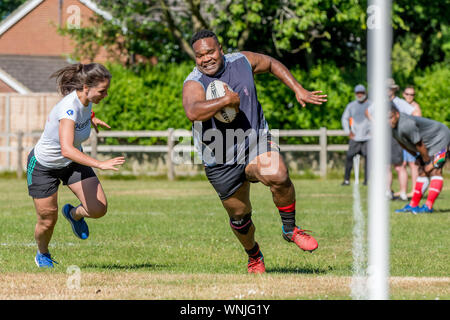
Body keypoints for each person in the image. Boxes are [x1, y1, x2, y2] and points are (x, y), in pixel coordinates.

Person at [182, 30, 327, 274]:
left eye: (210, 52)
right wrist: (225, 101)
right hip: (219, 156)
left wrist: (297, 88)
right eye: (199, 56)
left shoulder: (241, 61)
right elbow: (193, 111)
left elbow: (270, 63)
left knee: (277, 173)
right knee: (240, 217)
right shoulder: (194, 82)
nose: (205, 58)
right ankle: (254, 256)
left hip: (254, 141)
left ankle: (290, 229)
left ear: (221, 49)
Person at [27, 63, 125, 268]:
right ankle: (42, 254)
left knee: (98, 208)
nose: (105, 95)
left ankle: (73, 214)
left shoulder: (85, 100)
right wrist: (99, 164)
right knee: (47, 220)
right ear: (86, 87)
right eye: (102, 91)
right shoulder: (68, 108)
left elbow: (84, 111)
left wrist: (92, 118)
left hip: (70, 163)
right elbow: (67, 149)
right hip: (43, 166)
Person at [389, 104, 450, 214]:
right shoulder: (391, 127)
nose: (388, 121)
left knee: (435, 170)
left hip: (441, 138)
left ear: (397, 114)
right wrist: (417, 157)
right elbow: (403, 144)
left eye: (390, 117)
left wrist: (427, 162)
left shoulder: (406, 124)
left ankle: (428, 206)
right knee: (422, 172)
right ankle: (413, 205)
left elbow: (420, 144)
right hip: (428, 143)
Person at [366, 78, 419, 201]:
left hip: (397, 137)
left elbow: (415, 113)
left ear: (394, 90)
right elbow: (368, 112)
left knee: (400, 166)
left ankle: (403, 193)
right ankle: (387, 191)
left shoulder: (399, 103)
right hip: (384, 137)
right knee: (385, 166)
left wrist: (405, 126)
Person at [341, 84, 370, 186]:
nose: (360, 94)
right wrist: (348, 131)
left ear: (365, 93)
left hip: (368, 138)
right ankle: (346, 180)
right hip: (355, 137)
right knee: (349, 157)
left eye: (361, 92)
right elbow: (344, 118)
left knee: (369, 159)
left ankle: (367, 180)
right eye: (358, 93)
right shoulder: (351, 106)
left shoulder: (371, 105)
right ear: (355, 94)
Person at [402, 86, 422, 198]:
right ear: (403, 94)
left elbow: (417, 123)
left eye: (412, 94)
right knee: (402, 164)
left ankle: (414, 190)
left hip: (411, 140)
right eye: (408, 94)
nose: (410, 96)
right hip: (402, 139)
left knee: (413, 165)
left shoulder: (415, 107)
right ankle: (403, 190)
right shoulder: (400, 106)